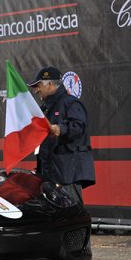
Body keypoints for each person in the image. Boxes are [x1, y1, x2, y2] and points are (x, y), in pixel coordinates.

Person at [28, 66, 95, 205]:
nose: (35, 90)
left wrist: (61, 129)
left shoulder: (70, 103)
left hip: (67, 173)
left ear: (51, 84)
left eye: (38, 85)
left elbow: (79, 126)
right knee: (55, 214)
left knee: (70, 212)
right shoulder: (45, 108)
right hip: (49, 173)